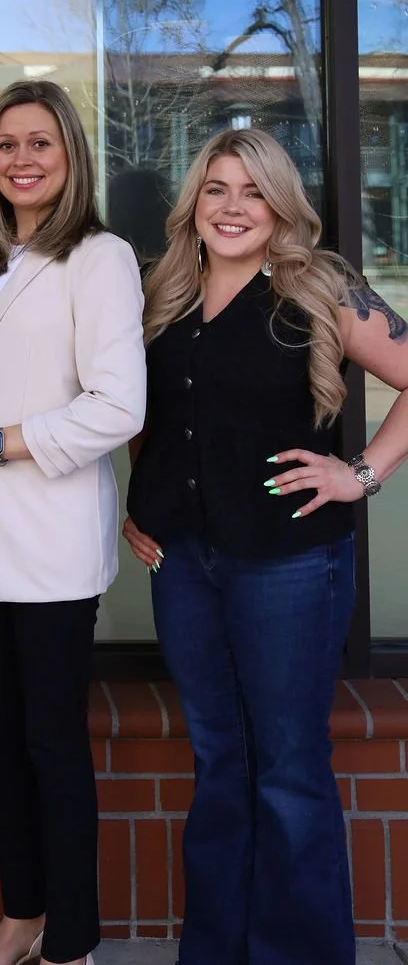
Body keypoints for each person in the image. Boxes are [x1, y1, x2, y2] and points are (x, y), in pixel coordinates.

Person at [124, 127, 408, 965]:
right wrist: (145, 500)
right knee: (220, 760)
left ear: (281, 205)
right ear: (194, 202)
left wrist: (361, 472)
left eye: (253, 191)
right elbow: (145, 415)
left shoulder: (321, 288)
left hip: (290, 564)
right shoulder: (162, 292)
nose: (233, 207)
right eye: (217, 188)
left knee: (287, 768)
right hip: (185, 564)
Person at [0, 79, 147, 965]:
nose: (22, 159)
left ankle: (72, 942)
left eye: (41, 142)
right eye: (7, 144)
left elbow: (118, 407)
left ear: (70, 157)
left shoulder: (100, 257)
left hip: (50, 545)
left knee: (52, 744)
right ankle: (23, 914)